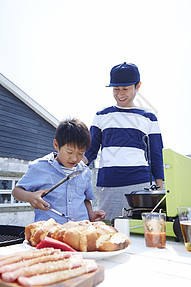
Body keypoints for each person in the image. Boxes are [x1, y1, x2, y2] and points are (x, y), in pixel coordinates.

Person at [83, 62, 164, 222]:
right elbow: (90, 151)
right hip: (108, 185)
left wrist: (160, 188)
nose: (120, 94)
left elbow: (156, 155)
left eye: (125, 89)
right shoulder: (101, 116)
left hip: (140, 186)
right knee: (109, 232)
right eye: (116, 89)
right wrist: (70, 167)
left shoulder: (149, 118)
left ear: (137, 86)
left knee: (139, 232)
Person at [12, 118, 106, 224]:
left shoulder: (85, 171)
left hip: (79, 229)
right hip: (50, 231)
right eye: (69, 152)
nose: (75, 158)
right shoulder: (40, 167)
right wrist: (30, 197)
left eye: (81, 153)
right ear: (56, 145)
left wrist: (91, 214)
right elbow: (16, 191)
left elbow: (85, 198)